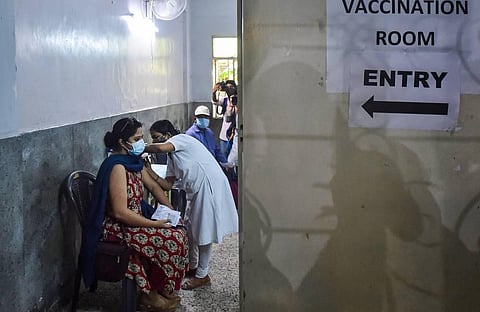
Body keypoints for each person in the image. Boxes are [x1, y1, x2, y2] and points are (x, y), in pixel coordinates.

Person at [80, 117, 189, 312]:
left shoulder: (134, 162)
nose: (141, 143)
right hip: (117, 227)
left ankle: (160, 287)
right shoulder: (117, 167)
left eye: (142, 138)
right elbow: (120, 213)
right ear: (122, 142)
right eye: (136, 138)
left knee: (178, 230)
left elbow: (154, 187)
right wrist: (155, 224)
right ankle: (151, 295)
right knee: (171, 238)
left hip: (135, 221)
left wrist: (171, 211)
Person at [143, 120, 238, 290]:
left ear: (168, 135)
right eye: (153, 138)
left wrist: (140, 148)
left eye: (157, 137)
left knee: (204, 230)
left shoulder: (182, 140)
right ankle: (193, 267)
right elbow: (167, 185)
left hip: (208, 185)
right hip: (195, 190)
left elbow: (159, 148)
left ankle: (203, 275)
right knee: (191, 228)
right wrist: (149, 170)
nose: (156, 141)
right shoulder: (172, 157)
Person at [212, 80, 237, 159]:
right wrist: (214, 91)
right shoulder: (225, 100)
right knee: (223, 157)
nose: (229, 89)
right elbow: (215, 101)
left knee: (234, 158)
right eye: (227, 88)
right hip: (224, 135)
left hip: (235, 134)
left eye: (231, 87)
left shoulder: (239, 100)